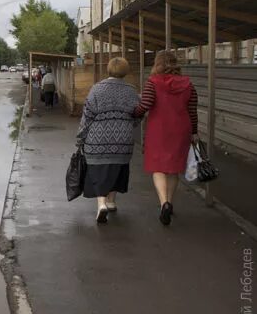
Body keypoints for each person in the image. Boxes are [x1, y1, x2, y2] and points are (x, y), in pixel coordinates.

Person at [134, 50, 199, 226]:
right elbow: (192, 110)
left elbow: (145, 104)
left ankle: (164, 203)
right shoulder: (188, 85)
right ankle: (169, 202)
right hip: (181, 129)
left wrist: (134, 112)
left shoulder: (152, 82)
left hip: (159, 129)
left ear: (157, 63)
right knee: (173, 169)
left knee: (158, 167)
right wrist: (194, 132)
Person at [76, 57, 140, 224]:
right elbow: (138, 115)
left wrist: (80, 138)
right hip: (123, 139)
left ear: (108, 69)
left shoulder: (97, 89)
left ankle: (101, 204)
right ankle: (111, 201)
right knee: (117, 168)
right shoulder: (132, 90)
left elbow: (87, 116)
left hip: (97, 138)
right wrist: (128, 125)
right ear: (125, 71)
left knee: (98, 170)